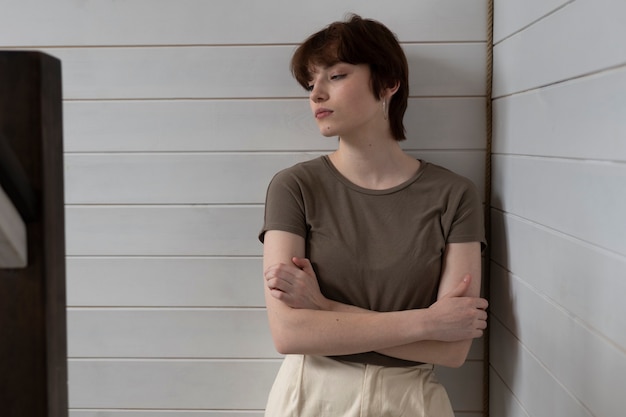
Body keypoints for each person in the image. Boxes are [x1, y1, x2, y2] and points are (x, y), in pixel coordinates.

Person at [258, 14, 488, 417]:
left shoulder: (455, 195)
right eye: (311, 82)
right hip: (309, 395)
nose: (316, 94)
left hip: (412, 401)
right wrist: (427, 323)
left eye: (337, 75)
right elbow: (289, 332)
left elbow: (452, 347)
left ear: (387, 83)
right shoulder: (294, 187)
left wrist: (325, 309)